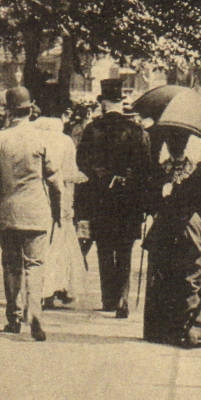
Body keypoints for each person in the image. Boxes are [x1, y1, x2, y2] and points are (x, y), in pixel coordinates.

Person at [0, 86, 62, 341]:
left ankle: (13, 317)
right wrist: (57, 210)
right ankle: (35, 313)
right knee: (35, 265)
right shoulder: (42, 139)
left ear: (8, 110)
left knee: (11, 265)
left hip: (8, 212)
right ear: (31, 109)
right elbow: (54, 180)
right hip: (37, 211)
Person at [75, 80, 153, 319]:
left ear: (103, 103)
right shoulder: (137, 131)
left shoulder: (92, 129)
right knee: (125, 249)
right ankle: (123, 298)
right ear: (121, 102)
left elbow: (82, 163)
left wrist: (101, 176)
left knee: (105, 247)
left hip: (101, 199)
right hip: (129, 200)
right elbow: (146, 168)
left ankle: (108, 298)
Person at [141, 129, 201, 348]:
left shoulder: (164, 170)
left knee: (174, 274)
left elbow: (150, 202)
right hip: (185, 227)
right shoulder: (196, 169)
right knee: (186, 274)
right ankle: (190, 329)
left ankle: (172, 329)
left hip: (176, 227)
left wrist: (168, 195)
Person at [34, 96, 88, 311]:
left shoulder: (33, 136)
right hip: (60, 195)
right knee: (59, 241)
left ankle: (38, 288)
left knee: (39, 241)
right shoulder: (64, 140)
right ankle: (56, 286)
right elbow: (69, 172)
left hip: (37, 194)